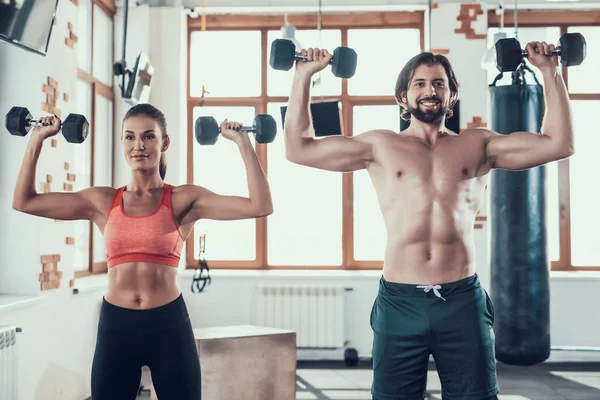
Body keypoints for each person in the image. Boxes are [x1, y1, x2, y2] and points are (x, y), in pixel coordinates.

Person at [284, 43, 573, 400]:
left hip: (461, 301)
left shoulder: (478, 145)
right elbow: (299, 149)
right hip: (400, 301)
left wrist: (550, 72)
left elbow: (559, 144)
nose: (429, 91)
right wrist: (303, 76)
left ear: (451, 94)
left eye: (438, 83)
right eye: (419, 84)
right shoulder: (379, 146)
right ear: (403, 96)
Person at [12, 103, 273, 400]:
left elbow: (260, 206)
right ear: (122, 142)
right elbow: (24, 201)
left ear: (165, 143)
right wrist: (37, 138)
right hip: (116, 328)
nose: (139, 145)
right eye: (129, 137)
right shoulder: (101, 200)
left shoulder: (184, 198)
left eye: (149, 136)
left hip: (169, 327)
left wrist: (243, 142)